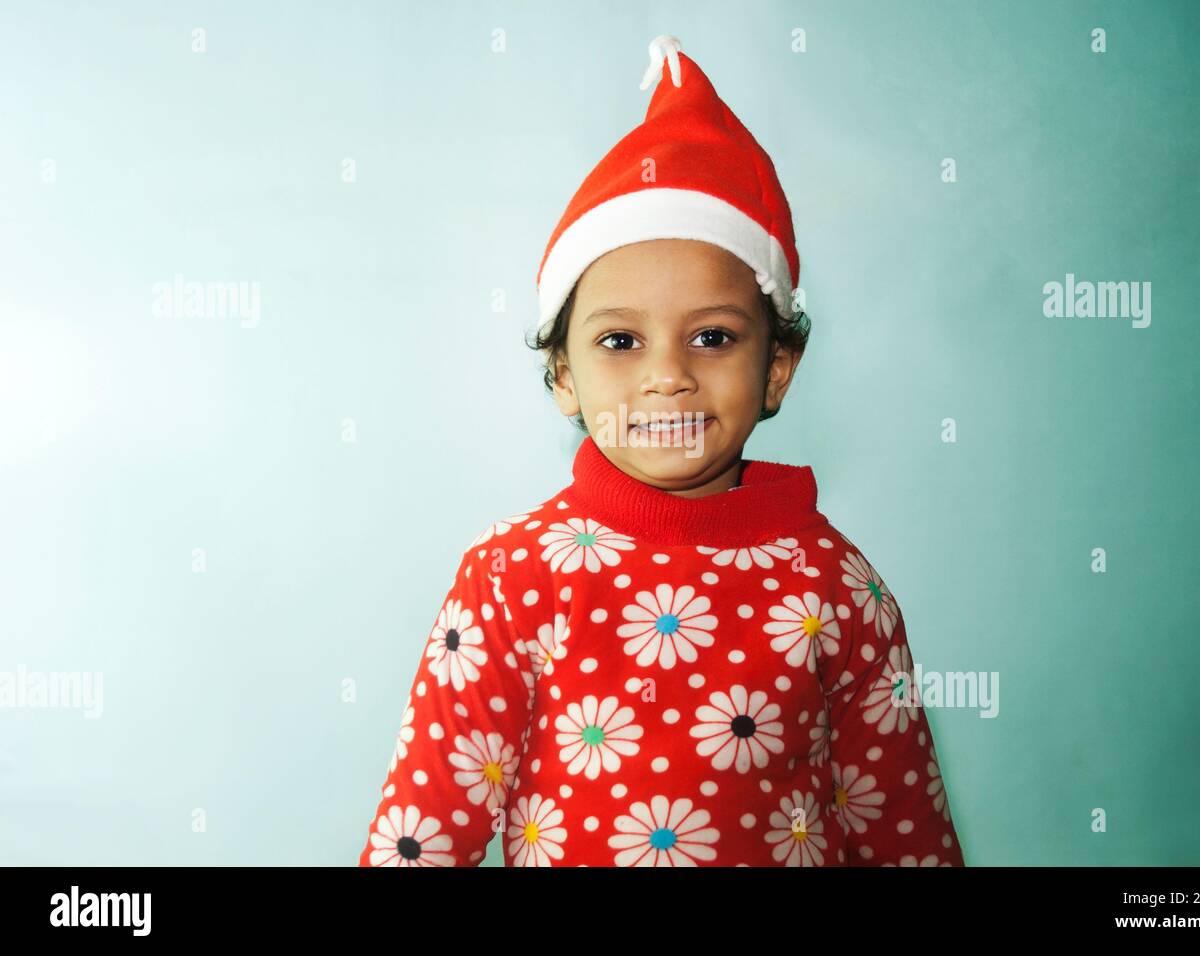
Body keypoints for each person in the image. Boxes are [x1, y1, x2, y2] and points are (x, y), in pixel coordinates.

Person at [358, 34, 964, 867]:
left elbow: (906, 837)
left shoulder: (841, 590)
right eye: (620, 341)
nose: (669, 377)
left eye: (713, 337)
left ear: (777, 369)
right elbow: (422, 835)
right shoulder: (509, 577)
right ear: (563, 376)